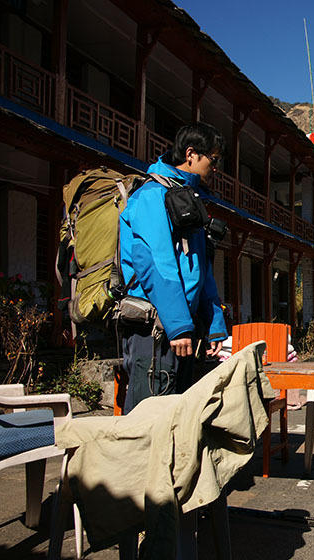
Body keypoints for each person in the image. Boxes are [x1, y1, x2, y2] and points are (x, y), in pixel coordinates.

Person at [118, 122, 228, 413]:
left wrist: (214, 325)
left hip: (182, 331)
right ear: (191, 154)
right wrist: (178, 325)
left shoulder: (188, 198)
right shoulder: (152, 196)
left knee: (179, 419)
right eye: (213, 160)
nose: (216, 168)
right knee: (148, 420)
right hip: (153, 330)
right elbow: (156, 264)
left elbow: (201, 269)